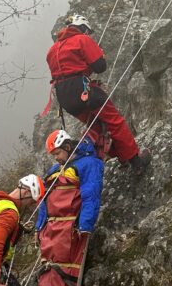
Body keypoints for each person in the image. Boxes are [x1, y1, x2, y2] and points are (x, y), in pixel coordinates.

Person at [27, 129, 105, 286]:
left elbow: (91, 194)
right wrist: (40, 227)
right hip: (51, 233)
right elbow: (45, 203)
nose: (57, 158)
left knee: (62, 284)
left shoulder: (89, 164)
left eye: (59, 153)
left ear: (68, 145)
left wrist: (86, 225)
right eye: (54, 154)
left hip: (70, 231)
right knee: (48, 282)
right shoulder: (53, 171)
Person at [45, 13, 151, 175]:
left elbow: (64, 70)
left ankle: (122, 157)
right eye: (87, 31)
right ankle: (136, 162)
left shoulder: (52, 50)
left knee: (97, 127)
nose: (88, 34)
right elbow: (100, 66)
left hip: (64, 98)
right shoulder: (81, 39)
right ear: (81, 28)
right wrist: (98, 54)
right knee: (114, 122)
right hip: (82, 90)